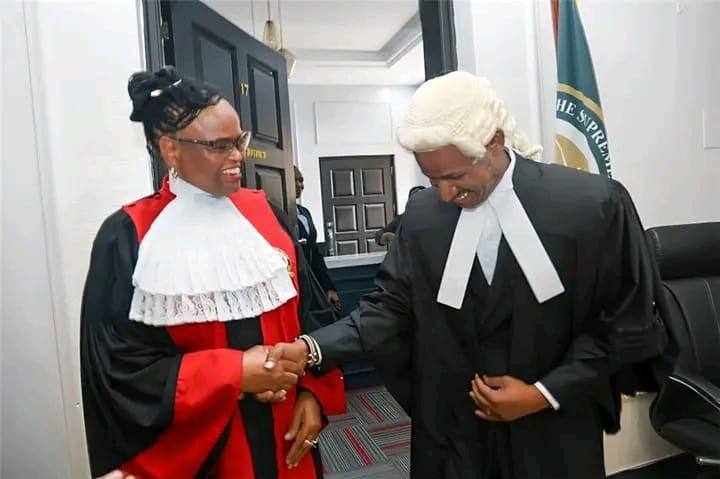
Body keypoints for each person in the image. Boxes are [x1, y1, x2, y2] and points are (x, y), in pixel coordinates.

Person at [264, 71, 669, 478]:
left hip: (552, 431)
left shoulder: (593, 206)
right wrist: (312, 347)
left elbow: (626, 324)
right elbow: (389, 308)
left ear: (494, 143)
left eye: (455, 177)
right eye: (432, 179)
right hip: (453, 436)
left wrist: (543, 393)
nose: (443, 194)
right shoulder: (423, 216)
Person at [80, 66, 346, 479]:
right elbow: (117, 368)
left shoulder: (268, 214)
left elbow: (311, 315)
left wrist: (312, 393)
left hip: (286, 436)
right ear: (171, 149)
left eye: (239, 141)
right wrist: (233, 375)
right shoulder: (128, 236)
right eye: (220, 145)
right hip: (204, 449)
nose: (238, 156)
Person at [294, 166, 341, 311]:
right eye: (295, 180)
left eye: (301, 181)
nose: (300, 185)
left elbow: (315, 253)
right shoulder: (279, 213)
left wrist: (329, 287)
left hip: (311, 281)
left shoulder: (304, 212)